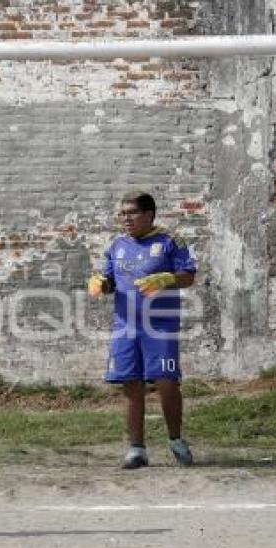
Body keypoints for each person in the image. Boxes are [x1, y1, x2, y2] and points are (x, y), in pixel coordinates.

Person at [88, 192, 196, 469]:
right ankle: (137, 449)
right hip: (125, 326)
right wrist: (101, 284)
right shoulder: (117, 245)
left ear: (149, 215)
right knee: (130, 385)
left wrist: (168, 278)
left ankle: (175, 439)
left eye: (132, 213)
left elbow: (189, 275)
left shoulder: (170, 242)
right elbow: (109, 279)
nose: (126, 218)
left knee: (166, 383)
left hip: (160, 326)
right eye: (123, 213)